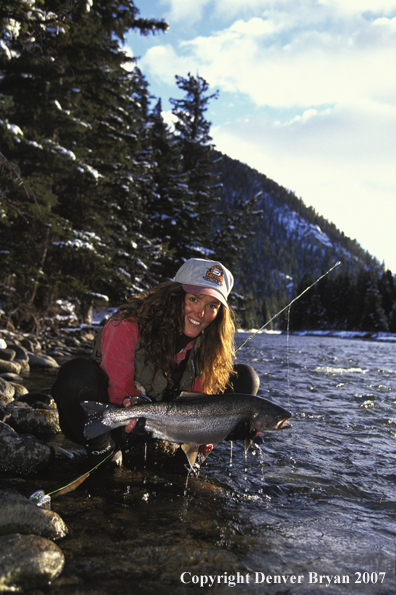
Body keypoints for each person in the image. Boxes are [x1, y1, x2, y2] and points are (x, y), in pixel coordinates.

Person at [52, 258, 259, 469]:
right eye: (194, 299)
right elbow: (117, 392)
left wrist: (225, 427)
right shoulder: (127, 324)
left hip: (168, 425)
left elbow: (199, 404)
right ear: (174, 296)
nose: (201, 313)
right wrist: (134, 415)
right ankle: (104, 453)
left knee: (245, 378)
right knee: (76, 375)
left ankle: (188, 460)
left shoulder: (210, 344)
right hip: (114, 421)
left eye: (212, 306)